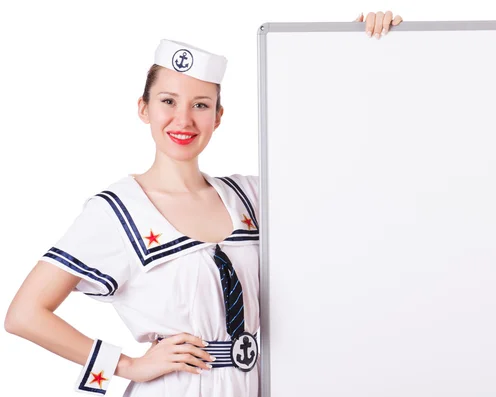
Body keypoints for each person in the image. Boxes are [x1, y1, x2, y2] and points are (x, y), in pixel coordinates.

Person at [4, 11, 403, 397]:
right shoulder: (116, 211)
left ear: (218, 116)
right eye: (167, 101)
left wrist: (358, 56)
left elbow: (342, 173)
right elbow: (24, 315)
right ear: (143, 109)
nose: (183, 119)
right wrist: (127, 366)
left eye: (200, 105)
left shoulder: (253, 195)